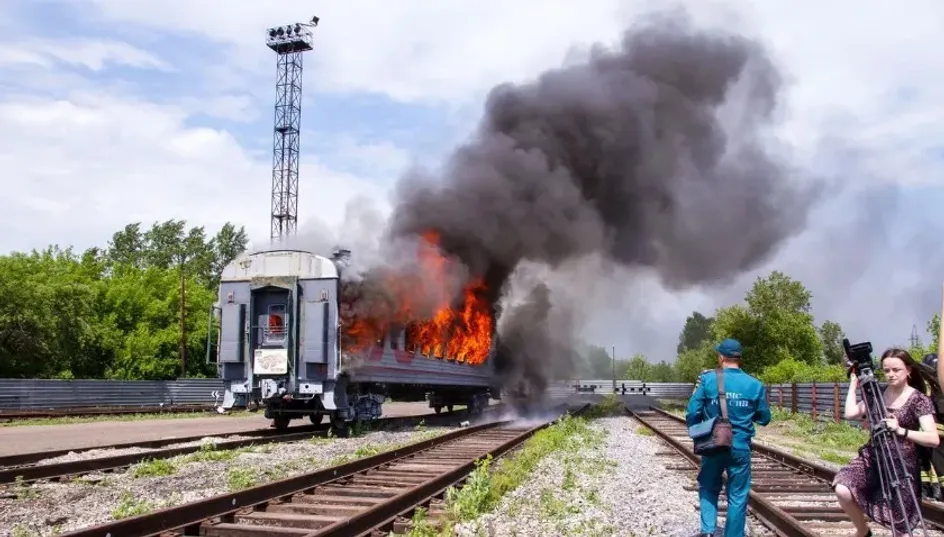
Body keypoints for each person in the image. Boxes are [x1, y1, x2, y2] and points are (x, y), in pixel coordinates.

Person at [833, 348, 940, 537]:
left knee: (902, 527)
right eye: (886, 370)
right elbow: (850, 413)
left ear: (908, 370)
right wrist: (853, 383)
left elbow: (933, 438)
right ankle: (863, 531)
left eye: (896, 370)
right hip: (873, 458)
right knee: (842, 488)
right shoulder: (877, 393)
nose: (890, 374)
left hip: (902, 466)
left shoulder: (919, 400)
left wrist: (901, 431)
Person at [686, 338, 771, 537]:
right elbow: (765, 418)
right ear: (738, 359)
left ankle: (708, 532)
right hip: (740, 447)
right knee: (738, 495)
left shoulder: (707, 380)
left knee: (708, 485)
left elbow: (692, 412)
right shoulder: (755, 384)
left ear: (721, 357)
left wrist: (696, 430)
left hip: (713, 444)